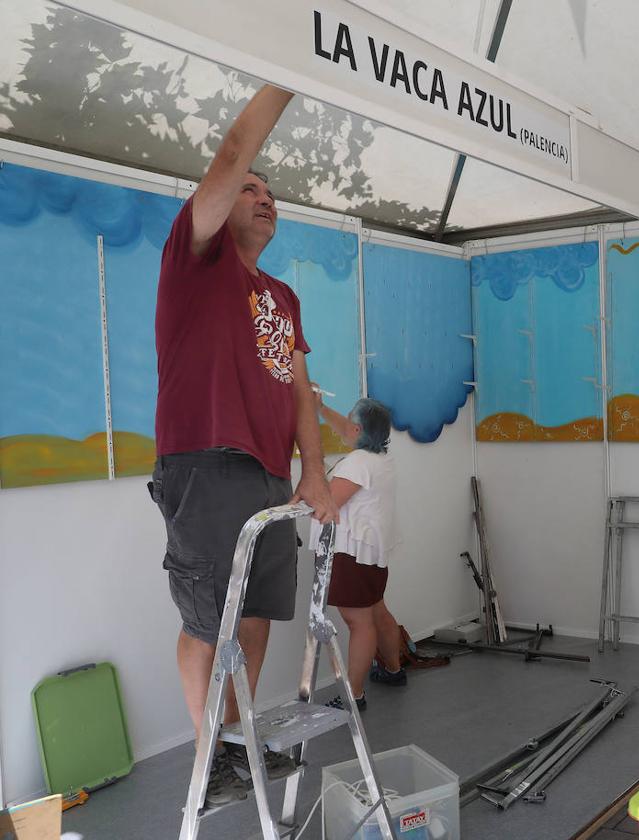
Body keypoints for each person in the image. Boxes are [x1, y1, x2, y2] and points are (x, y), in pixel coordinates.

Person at [149, 84, 337, 808]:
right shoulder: (193, 258)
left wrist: (315, 472)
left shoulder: (282, 298)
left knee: (253, 618)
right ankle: (210, 755)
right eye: (248, 189)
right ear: (219, 205)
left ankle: (237, 739)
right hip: (204, 459)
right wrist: (287, 75)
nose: (262, 196)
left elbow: (298, 388)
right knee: (208, 618)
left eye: (269, 193)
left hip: (268, 473)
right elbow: (232, 152)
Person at [310, 393, 407, 711]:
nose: (346, 425)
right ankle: (393, 671)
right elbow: (348, 428)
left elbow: (327, 506)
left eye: (351, 422)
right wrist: (320, 408)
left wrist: (310, 477)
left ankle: (354, 696)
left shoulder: (356, 464)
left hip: (350, 555)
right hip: (371, 556)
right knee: (377, 612)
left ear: (357, 430)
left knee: (358, 623)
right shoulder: (380, 457)